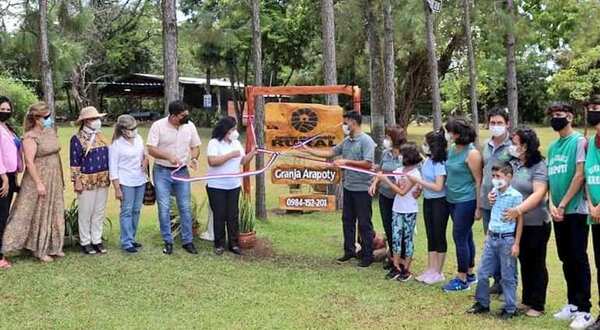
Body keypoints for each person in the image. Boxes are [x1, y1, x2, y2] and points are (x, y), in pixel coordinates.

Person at [302, 111, 376, 267]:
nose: (344, 125)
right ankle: (349, 251)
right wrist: (307, 150)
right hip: (348, 187)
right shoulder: (347, 141)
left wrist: (346, 162)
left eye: (346, 122)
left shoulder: (366, 141)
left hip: (362, 189)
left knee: (364, 223)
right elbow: (331, 152)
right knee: (347, 220)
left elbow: (368, 164)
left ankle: (368, 255)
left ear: (353, 122)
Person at [546, 102, 593, 330]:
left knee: (578, 257)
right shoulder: (553, 147)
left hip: (575, 210)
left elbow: (579, 175)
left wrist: (563, 204)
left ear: (570, 117)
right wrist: (552, 205)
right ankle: (572, 304)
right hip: (558, 211)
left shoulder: (579, 142)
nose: (556, 119)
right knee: (565, 258)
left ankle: (584, 309)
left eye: (560, 115)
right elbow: (550, 178)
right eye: (553, 116)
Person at [1, 102, 64, 262]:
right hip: (38, 177)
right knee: (33, 211)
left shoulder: (50, 132)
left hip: (53, 176)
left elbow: (56, 154)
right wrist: (38, 183)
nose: (49, 119)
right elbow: (29, 161)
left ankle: (53, 245)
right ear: (37, 118)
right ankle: (38, 249)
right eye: (46, 117)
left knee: (53, 209)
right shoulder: (30, 137)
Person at [497, 127, 550, 318]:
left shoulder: (539, 166)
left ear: (526, 145)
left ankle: (538, 304)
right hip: (517, 225)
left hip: (536, 223)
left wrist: (519, 209)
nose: (511, 146)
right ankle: (527, 300)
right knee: (524, 262)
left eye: (515, 143)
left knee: (536, 263)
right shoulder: (514, 164)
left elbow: (539, 193)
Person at [467, 162, 523, 319]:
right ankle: (482, 303)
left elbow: (520, 221)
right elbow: (494, 211)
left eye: (498, 176)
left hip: (506, 240)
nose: (495, 179)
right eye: (493, 176)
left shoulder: (516, 196)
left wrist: (516, 243)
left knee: (507, 276)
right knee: (483, 273)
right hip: (492, 238)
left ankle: (510, 308)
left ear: (509, 177)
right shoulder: (494, 191)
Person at [147, 100, 201, 255]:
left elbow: (195, 146)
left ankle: (187, 241)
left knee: (185, 207)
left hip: (182, 171)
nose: (186, 118)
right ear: (173, 116)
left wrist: (194, 158)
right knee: (164, 208)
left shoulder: (189, 126)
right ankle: (168, 241)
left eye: (187, 115)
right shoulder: (158, 126)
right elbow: (151, 148)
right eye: (182, 116)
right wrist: (167, 156)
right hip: (162, 172)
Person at [442, 118, 483, 292]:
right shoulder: (452, 149)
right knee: (466, 237)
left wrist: (479, 207)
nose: (450, 135)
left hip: (466, 201)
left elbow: (478, 180)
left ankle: (462, 278)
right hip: (451, 199)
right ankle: (471, 273)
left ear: (462, 133)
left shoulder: (472, 153)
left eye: (453, 132)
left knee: (459, 237)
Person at [205, 116, 256, 256]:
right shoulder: (214, 143)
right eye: (233, 129)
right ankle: (219, 244)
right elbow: (212, 161)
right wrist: (230, 155)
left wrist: (253, 152)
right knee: (219, 215)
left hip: (233, 185)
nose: (235, 131)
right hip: (216, 186)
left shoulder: (236, 143)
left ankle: (234, 244)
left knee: (233, 215)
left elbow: (243, 160)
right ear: (225, 130)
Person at [405, 129, 449, 284]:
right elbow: (425, 181)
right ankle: (430, 268)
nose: (423, 146)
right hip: (428, 201)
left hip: (440, 202)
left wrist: (418, 182)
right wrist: (419, 188)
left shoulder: (439, 163)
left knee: (439, 235)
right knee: (430, 235)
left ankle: (438, 271)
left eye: (426, 143)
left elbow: (438, 186)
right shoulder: (428, 161)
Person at [377, 143, 422, 281]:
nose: (400, 156)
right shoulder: (399, 170)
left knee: (407, 239)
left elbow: (402, 192)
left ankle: (406, 269)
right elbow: (396, 188)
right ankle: (396, 266)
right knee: (396, 238)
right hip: (397, 209)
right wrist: (385, 179)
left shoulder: (415, 174)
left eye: (402, 154)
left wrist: (386, 180)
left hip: (409, 210)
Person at [480, 106, 512, 295]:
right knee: (492, 242)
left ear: (507, 124)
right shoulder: (486, 145)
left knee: (505, 244)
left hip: (505, 202)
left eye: (499, 123)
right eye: (492, 123)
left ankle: (507, 283)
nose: (496, 126)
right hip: (487, 201)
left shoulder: (512, 147)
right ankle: (497, 281)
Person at [70, 106, 110, 255]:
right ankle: (85, 241)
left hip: (102, 178)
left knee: (99, 211)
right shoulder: (77, 138)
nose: (97, 121)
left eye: (97, 118)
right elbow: (75, 162)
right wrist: (77, 181)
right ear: (86, 121)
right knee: (86, 212)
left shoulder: (101, 136)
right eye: (94, 119)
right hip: (86, 180)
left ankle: (97, 240)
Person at [109, 115, 148, 253]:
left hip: (140, 180)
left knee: (136, 210)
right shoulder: (116, 145)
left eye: (135, 128)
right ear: (123, 130)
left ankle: (131, 238)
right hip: (125, 181)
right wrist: (117, 188)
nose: (134, 131)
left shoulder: (138, 139)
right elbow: (113, 168)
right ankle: (126, 241)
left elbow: (145, 154)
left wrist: (146, 160)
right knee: (126, 210)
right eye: (131, 129)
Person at [368, 125, 406, 267]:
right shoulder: (386, 153)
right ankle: (392, 257)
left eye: (388, 137)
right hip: (385, 196)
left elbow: (413, 173)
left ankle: (402, 258)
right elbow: (382, 170)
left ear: (394, 139)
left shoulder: (406, 155)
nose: (385, 140)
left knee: (399, 228)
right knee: (388, 227)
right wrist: (376, 176)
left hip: (399, 197)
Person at [584, 93, 600, 330]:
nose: (593, 111)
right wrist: (590, 203)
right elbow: (588, 177)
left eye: (598, 107)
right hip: (594, 215)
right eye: (591, 108)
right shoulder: (590, 143)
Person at [0, 96, 22, 269]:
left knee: (5, 214)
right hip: (2, 177)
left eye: (8, 110)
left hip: (11, 175)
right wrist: (4, 177)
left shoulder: (7, 127)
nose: (5, 112)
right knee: (1, 216)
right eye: (2, 109)